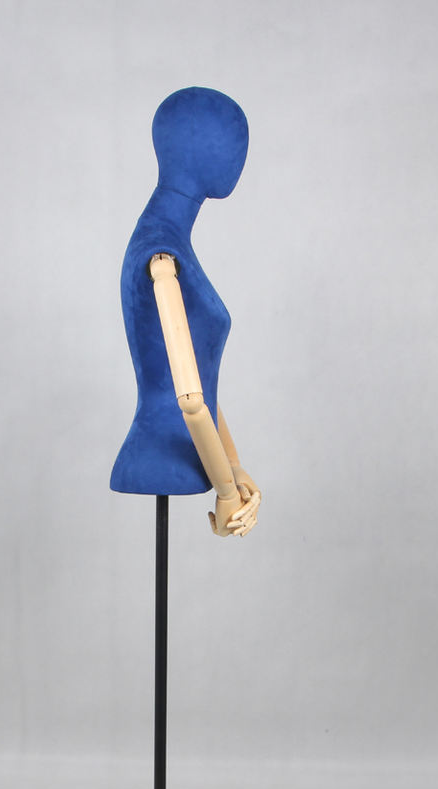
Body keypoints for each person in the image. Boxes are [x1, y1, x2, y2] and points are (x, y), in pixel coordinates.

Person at [110, 87, 261, 537]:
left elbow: (198, 384)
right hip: (164, 455)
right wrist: (226, 490)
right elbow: (191, 400)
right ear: (206, 151)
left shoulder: (166, 241)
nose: (240, 158)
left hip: (189, 450)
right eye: (235, 143)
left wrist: (234, 466)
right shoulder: (162, 256)